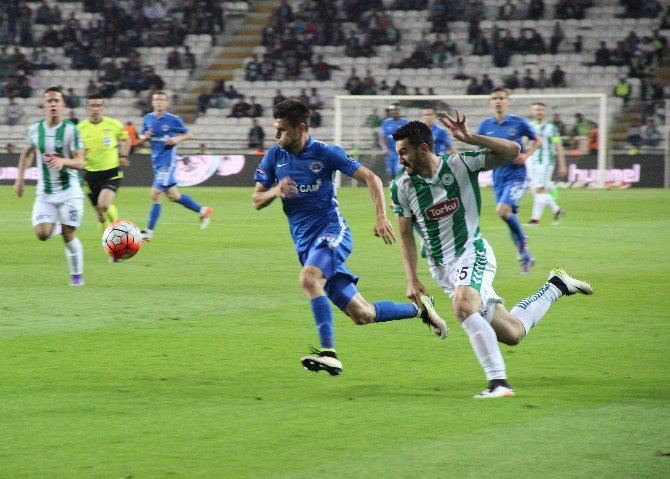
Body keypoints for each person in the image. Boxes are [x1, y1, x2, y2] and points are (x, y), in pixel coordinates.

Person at [390, 117, 594, 398]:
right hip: (443, 269)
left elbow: (512, 151)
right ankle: (556, 286)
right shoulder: (401, 186)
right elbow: (405, 235)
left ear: (423, 148)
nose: (399, 159)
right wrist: (412, 278)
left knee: (462, 306)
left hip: (473, 252)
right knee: (513, 334)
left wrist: (472, 138)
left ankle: (498, 382)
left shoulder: (460, 164)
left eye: (403, 151)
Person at [252, 99, 447, 376]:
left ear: (301, 128)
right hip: (306, 245)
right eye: (275, 129)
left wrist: (380, 217)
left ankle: (328, 352)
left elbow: (372, 178)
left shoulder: (325, 153)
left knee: (309, 279)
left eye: (281, 130)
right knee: (363, 315)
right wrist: (275, 192)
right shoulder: (274, 157)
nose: (276, 135)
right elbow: (256, 199)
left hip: (332, 232)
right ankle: (422, 311)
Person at [13, 86, 86, 286]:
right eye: (49, 101)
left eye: (56, 101)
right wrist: (20, 179)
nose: (53, 104)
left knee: (68, 233)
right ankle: (56, 226)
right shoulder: (34, 130)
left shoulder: (72, 130)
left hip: (69, 191)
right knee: (42, 234)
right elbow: (27, 153)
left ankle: (77, 277)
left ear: (63, 105)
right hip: (45, 192)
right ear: (44, 105)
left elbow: (80, 162)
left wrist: (64, 162)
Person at [476, 87, 540, 273]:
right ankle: (526, 259)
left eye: (501, 98)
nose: (498, 101)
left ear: (507, 101)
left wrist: (526, 155)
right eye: (494, 98)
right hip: (498, 177)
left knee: (503, 211)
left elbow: (537, 140)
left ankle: (522, 240)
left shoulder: (518, 123)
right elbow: (478, 150)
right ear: (490, 102)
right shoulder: (485, 126)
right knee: (512, 220)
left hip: (516, 175)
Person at [138, 90, 212, 242]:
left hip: (168, 163)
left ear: (166, 103)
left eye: (162, 100)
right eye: (156, 100)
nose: (159, 102)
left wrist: (176, 139)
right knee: (174, 196)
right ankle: (203, 210)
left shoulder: (173, 120)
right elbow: (140, 140)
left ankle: (148, 233)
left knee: (155, 194)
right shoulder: (147, 119)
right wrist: (144, 137)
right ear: (152, 103)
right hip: (156, 163)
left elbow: (190, 135)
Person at [77, 94, 131, 245]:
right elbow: (73, 149)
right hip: (90, 175)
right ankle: (110, 246)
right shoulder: (80, 128)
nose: (95, 109)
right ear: (88, 108)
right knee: (100, 216)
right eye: (92, 106)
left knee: (104, 204)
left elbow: (126, 139)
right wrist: (81, 154)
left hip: (111, 172)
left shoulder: (114, 125)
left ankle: (118, 229)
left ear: (103, 108)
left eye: (98, 105)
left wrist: (123, 155)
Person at [526, 103, 567, 226]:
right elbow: (525, 143)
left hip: (545, 162)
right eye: (536, 109)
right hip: (531, 161)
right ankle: (557, 210)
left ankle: (534, 220)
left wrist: (562, 164)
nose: (538, 111)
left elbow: (558, 146)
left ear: (545, 111)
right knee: (535, 189)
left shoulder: (551, 128)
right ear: (532, 112)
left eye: (541, 109)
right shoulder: (529, 126)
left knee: (539, 189)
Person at [379, 104, 409, 182]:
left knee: (398, 171)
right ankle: (393, 189)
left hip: (401, 153)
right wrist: (384, 147)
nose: (395, 112)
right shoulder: (386, 122)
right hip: (390, 153)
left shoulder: (405, 122)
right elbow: (382, 137)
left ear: (399, 111)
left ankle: (401, 188)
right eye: (393, 110)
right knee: (391, 173)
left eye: (397, 110)